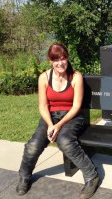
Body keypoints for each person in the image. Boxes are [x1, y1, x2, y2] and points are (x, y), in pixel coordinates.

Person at [16, 43, 99, 199]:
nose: (60, 63)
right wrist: (50, 125)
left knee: (65, 141)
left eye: (63, 58)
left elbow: (76, 107)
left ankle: (92, 176)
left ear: (67, 58)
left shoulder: (76, 77)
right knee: (33, 145)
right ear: (50, 60)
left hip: (72, 117)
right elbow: (43, 105)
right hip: (50, 117)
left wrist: (59, 126)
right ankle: (24, 176)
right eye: (56, 60)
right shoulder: (44, 78)